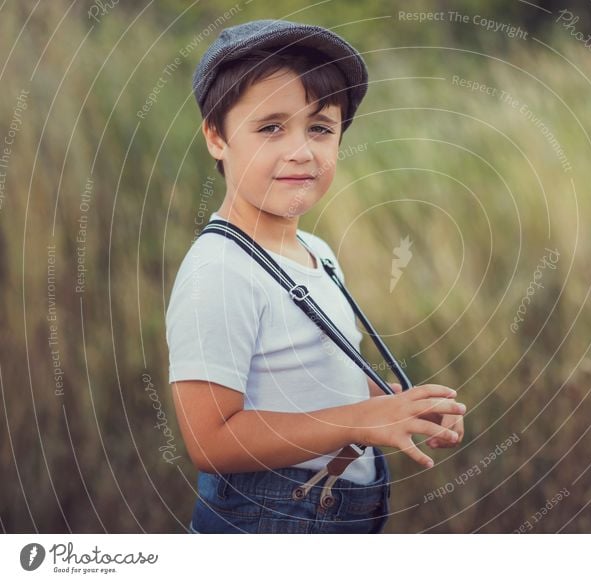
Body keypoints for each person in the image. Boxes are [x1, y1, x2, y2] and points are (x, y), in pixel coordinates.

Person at [166, 19, 466, 534]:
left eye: (321, 128)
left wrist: (397, 405)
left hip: (341, 513)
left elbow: (310, 384)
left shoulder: (316, 251)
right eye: (270, 128)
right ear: (217, 137)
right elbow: (210, 441)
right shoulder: (220, 269)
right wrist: (361, 422)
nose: (301, 151)